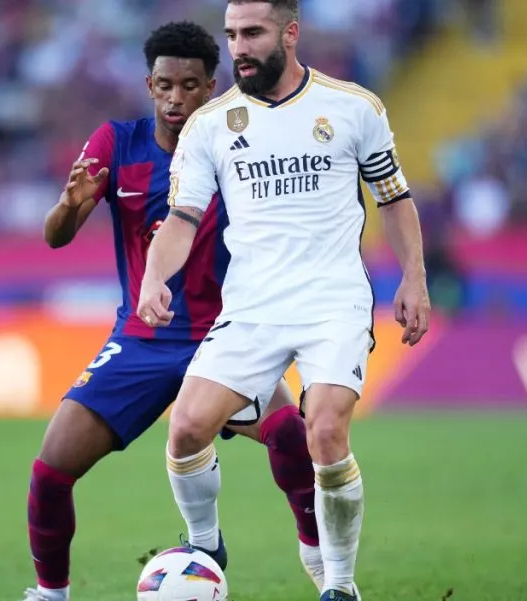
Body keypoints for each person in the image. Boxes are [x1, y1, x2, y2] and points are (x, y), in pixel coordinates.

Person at [136, 2, 432, 600]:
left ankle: (340, 587)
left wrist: (415, 278)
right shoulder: (212, 124)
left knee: (324, 431)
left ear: (290, 33)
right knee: (188, 428)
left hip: (333, 303)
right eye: (232, 35)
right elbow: (182, 218)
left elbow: (394, 199)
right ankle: (205, 545)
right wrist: (154, 277)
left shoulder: (353, 108)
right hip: (252, 308)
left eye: (252, 33)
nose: (239, 47)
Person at [23, 21, 324, 601]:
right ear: (149, 83)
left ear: (211, 87)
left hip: (223, 337)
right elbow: (56, 237)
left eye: (190, 86)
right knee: (50, 470)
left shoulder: (242, 150)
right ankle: (50, 593)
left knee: (292, 436)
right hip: (141, 339)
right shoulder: (116, 144)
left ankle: (321, 565)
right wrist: (68, 205)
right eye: (165, 85)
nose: (176, 98)